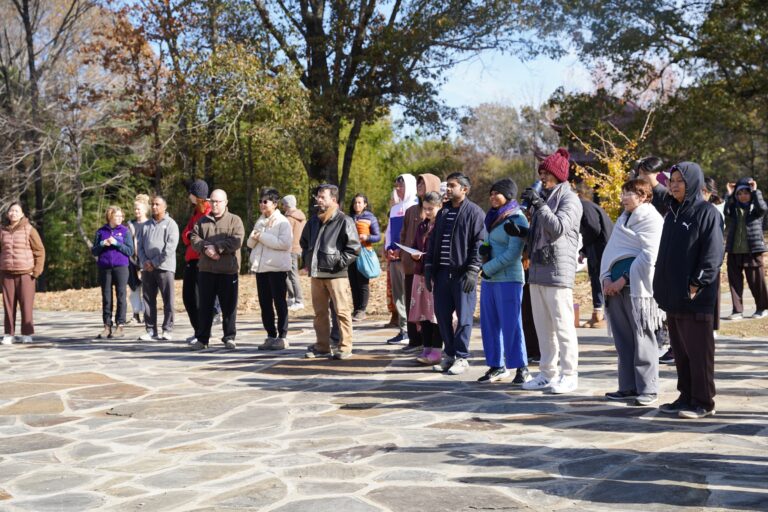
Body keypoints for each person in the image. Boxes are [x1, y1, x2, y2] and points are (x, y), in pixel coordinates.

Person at [654, 162, 724, 419]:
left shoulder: (707, 213)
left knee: (698, 353)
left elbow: (713, 255)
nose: (673, 184)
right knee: (681, 354)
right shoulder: (672, 212)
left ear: (693, 182)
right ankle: (686, 396)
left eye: (679, 181)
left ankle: (704, 402)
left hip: (696, 297)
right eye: (671, 180)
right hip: (673, 297)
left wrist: (696, 284)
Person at [521, 148, 583, 394]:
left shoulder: (570, 199)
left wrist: (539, 205)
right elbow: (540, 234)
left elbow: (558, 228)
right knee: (543, 326)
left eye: (546, 173)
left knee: (563, 325)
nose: (542, 178)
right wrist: (523, 233)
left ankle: (570, 374)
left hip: (558, 270)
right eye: (541, 173)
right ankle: (547, 373)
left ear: (559, 176)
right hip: (537, 269)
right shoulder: (544, 199)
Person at [600, 178, 665, 406]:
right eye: (624, 192)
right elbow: (611, 250)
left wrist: (623, 279)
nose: (625, 197)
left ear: (644, 196)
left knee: (643, 337)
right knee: (623, 339)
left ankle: (648, 388)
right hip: (615, 290)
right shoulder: (622, 219)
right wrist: (607, 277)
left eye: (631, 193)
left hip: (639, 289)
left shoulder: (652, 219)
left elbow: (650, 255)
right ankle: (627, 386)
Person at [424, 172, 486, 375]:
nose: (448, 189)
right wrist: (428, 267)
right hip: (442, 275)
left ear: (465, 189)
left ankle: (461, 357)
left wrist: (472, 269)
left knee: (464, 317)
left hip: (462, 275)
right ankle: (449, 355)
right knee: (442, 316)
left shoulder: (475, 213)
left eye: (452, 186)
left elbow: (480, 243)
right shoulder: (442, 213)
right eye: (447, 186)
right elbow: (433, 242)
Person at [478, 178, 530, 384]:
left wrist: (487, 268)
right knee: (489, 325)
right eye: (490, 194)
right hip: (490, 280)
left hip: (509, 279)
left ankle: (522, 367)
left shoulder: (517, 218)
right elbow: (490, 241)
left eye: (496, 193)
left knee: (512, 325)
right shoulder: (493, 217)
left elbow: (513, 253)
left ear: (508, 195)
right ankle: (496, 366)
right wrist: (484, 249)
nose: (492, 197)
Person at [300, 184, 361, 360]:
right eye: (318, 197)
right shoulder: (313, 221)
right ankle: (322, 346)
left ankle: (345, 347)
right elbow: (304, 242)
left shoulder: (344, 220)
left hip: (336, 274)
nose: (319, 200)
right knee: (320, 313)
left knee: (342, 311)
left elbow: (354, 248)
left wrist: (338, 264)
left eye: (322, 197)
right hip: (316, 274)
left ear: (333, 200)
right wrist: (308, 259)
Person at [188, 189, 244, 350]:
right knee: (205, 306)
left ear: (226, 202)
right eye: (212, 201)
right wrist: (207, 248)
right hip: (206, 270)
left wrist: (218, 247)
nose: (214, 204)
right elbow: (194, 238)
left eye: (218, 201)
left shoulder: (235, 220)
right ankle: (202, 338)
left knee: (229, 306)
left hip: (228, 270)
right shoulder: (202, 221)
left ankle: (229, 337)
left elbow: (237, 240)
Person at [399, 173, 442, 351]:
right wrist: (407, 254)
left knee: (433, 311)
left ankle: (434, 345)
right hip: (415, 267)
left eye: (423, 184)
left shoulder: (441, 221)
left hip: (433, 271)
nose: (419, 187)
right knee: (417, 307)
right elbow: (405, 236)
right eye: (418, 184)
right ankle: (418, 342)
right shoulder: (413, 213)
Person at [248, 188, 293, 350]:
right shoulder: (260, 221)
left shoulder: (282, 222)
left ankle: (282, 336)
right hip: (261, 268)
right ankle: (270, 335)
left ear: (275, 204)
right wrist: (256, 236)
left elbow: (284, 244)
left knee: (279, 302)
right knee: (265, 304)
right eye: (260, 201)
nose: (262, 204)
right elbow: (249, 243)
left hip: (277, 268)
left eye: (265, 201)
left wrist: (261, 236)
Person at [723, 177, 768, 320]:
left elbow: (763, 208)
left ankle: (763, 308)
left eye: (746, 192)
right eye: (739, 193)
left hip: (752, 250)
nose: (743, 196)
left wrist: (756, 191)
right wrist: (729, 194)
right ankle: (737, 311)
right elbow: (726, 212)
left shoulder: (756, 208)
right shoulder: (734, 208)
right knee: (734, 282)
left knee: (756, 281)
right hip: (734, 250)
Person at [0, 203, 45, 345]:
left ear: (22, 214)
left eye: (16, 211)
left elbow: (40, 251)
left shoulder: (29, 229)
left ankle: (26, 333)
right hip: (7, 274)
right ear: (7, 214)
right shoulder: (2, 231)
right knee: (8, 306)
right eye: (11, 211)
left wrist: (36, 271)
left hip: (26, 274)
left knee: (26, 305)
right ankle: (9, 334)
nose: (13, 213)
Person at [136, 195, 179, 341]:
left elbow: (170, 248)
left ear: (164, 207)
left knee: (168, 299)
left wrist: (154, 262)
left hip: (164, 268)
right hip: (147, 268)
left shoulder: (171, 224)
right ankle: (150, 330)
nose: (154, 207)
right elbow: (140, 246)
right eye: (152, 204)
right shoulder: (145, 225)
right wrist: (145, 262)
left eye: (157, 204)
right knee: (148, 299)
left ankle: (167, 329)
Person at [408, 191, 443, 365]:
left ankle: (437, 350)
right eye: (425, 208)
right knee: (423, 313)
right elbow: (415, 246)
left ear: (440, 206)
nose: (427, 212)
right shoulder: (422, 226)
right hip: (420, 274)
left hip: (435, 276)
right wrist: (414, 254)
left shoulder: (442, 225)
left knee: (434, 314)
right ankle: (426, 347)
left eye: (431, 209)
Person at [384, 174, 418, 345]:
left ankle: (416, 330)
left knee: (411, 293)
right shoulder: (394, 209)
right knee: (398, 294)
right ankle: (404, 329)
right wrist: (388, 248)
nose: (398, 189)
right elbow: (389, 231)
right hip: (394, 258)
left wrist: (402, 250)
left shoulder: (417, 207)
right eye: (396, 186)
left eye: (401, 186)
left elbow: (414, 234)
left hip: (409, 258)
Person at [92, 206, 134, 339]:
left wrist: (116, 243)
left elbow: (130, 251)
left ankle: (120, 326)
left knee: (121, 296)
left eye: (121, 216)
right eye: (117, 216)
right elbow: (94, 251)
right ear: (110, 217)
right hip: (105, 268)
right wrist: (103, 243)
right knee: (106, 297)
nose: (120, 218)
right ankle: (107, 326)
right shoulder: (101, 231)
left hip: (121, 267)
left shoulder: (125, 231)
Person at [576, 183, 613, 328]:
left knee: (600, 279)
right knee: (596, 279)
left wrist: (585, 246)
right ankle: (597, 314)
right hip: (596, 247)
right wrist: (584, 250)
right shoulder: (585, 206)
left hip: (601, 248)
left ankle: (602, 315)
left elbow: (593, 228)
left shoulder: (584, 206)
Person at [181, 180, 211, 344]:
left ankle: (203, 333)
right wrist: (191, 235)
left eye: (191, 193)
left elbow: (203, 236)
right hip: (190, 261)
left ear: (198, 196)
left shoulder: (208, 212)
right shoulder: (195, 213)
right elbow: (185, 235)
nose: (189, 196)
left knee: (200, 300)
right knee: (188, 298)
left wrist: (192, 236)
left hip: (202, 262)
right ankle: (197, 330)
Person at [348, 194, 381, 321]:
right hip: (350, 253)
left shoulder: (370, 217)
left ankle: (362, 310)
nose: (357, 205)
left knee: (362, 282)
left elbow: (377, 236)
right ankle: (356, 309)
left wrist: (367, 237)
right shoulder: (349, 217)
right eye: (355, 202)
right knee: (353, 282)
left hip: (364, 252)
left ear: (365, 204)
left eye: (360, 202)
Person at [281, 195, 307, 311]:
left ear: (287, 205)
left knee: (292, 275)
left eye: (283, 204)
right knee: (288, 274)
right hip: (299, 248)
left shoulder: (289, 219)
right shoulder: (302, 216)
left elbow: (286, 235)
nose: (282, 206)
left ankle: (298, 300)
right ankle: (291, 297)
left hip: (290, 249)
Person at [127, 194, 149, 324]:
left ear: (145, 209)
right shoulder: (131, 224)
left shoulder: (151, 223)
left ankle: (148, 313)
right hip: (132, 260)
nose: (136, 211)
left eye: (139, 209)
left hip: (147, 261)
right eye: (135, 209)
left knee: (148, 288)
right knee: (134, 288)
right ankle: (135, 314)